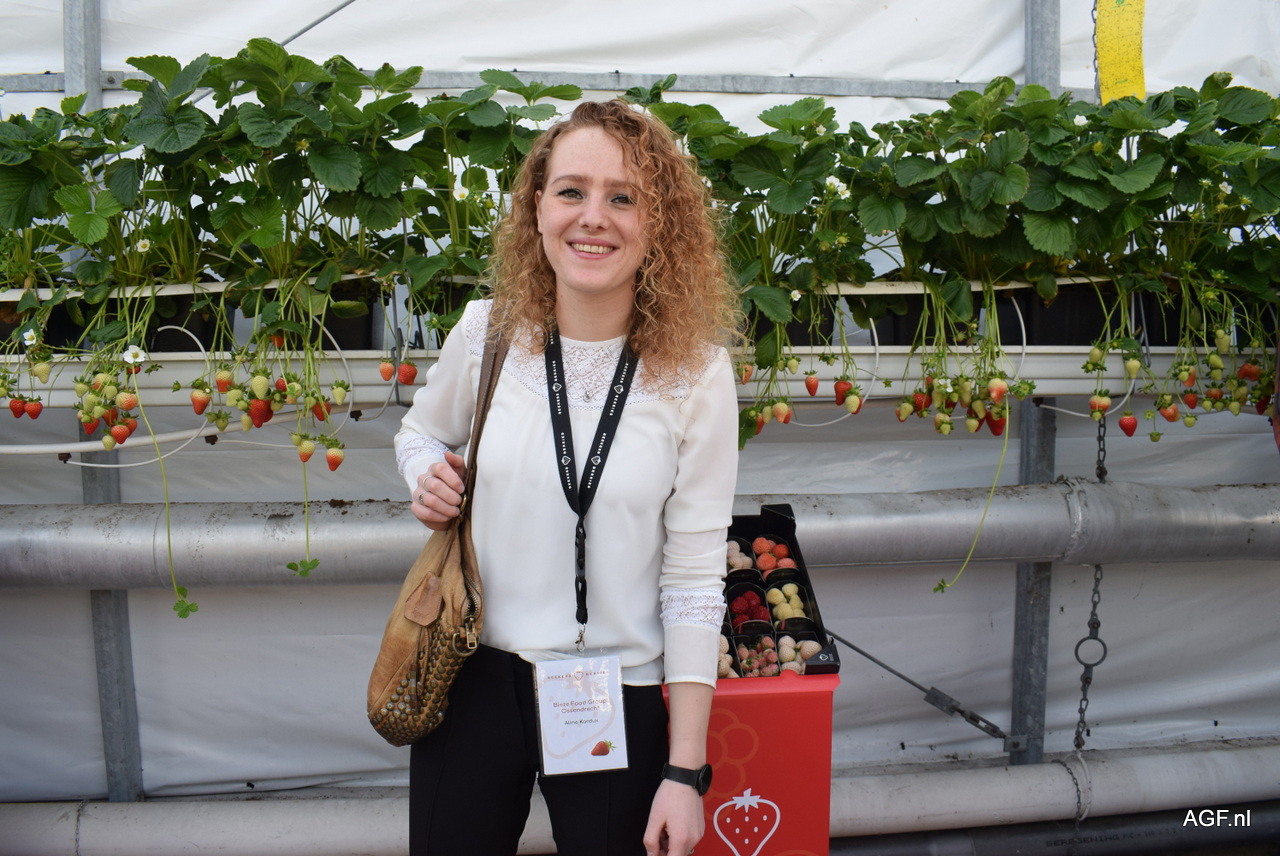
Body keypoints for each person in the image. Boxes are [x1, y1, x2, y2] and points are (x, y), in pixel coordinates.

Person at [393, 99, 741, 856]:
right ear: (537, 208)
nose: (593, 218)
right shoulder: (486, 334)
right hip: (473, 674)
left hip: (617, 689)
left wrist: (685, 774)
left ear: (660, 222)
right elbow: (420, 432)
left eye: (624, 198)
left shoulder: (697, 374)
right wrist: (428, 476)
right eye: (571, 191)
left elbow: (693, 579)